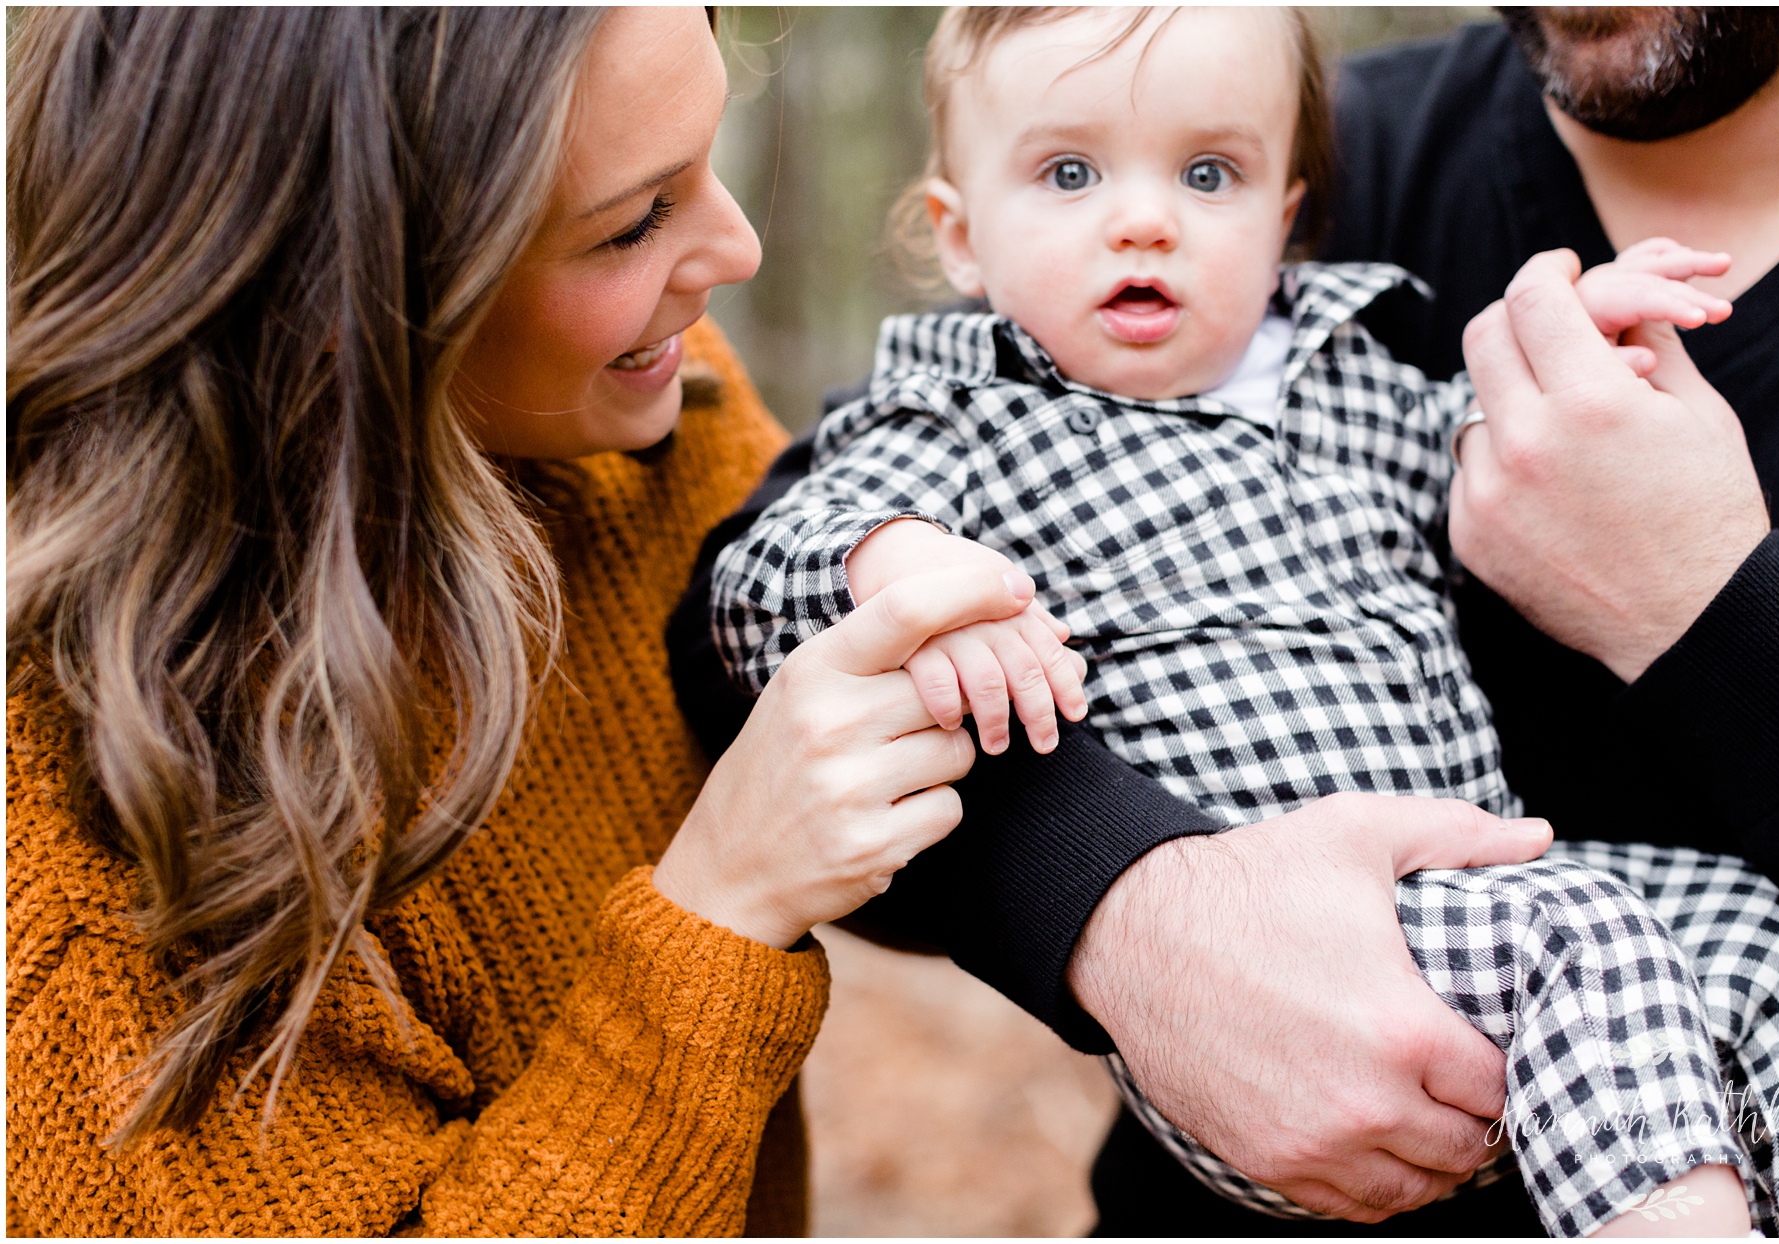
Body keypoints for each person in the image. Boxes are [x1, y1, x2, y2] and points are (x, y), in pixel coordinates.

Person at [668, 5, 1779, 1235]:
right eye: (1068, 173)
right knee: (1594, 939)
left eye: (1208, 174)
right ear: (961, 236)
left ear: (1284, 218)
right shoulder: (967, 409)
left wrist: (1607, 395)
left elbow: (1493, 429)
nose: (1145, 217)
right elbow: (746, 606)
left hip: (1489, 878)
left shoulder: (1339, 362)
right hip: (1332, 970)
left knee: (1764, 946)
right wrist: (1102, 875)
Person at [5, 8, 1047, 1235]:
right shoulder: (83, 868)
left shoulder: (649, 407)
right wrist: (721, 907)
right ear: (342, 304)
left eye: (708, 166)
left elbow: (890, 830)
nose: (741, 247)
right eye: (634, 221)